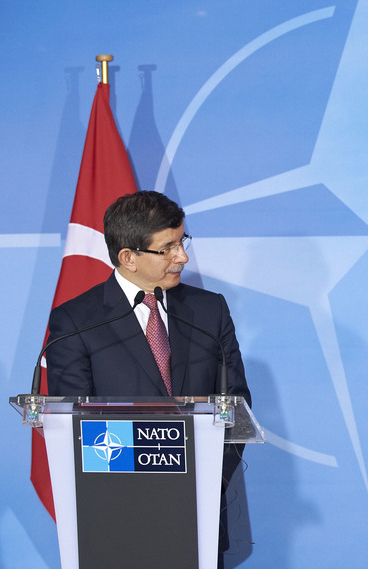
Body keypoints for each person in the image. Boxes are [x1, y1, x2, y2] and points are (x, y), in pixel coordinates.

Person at [46, 190, 250, 566]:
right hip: (116, 520)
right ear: (128, 257)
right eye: (168, 248)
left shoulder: (209, 311)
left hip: (200, 516)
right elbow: (75, 426)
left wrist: (202, 484)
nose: (182, 257)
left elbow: (235, 409)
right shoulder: (74, 322)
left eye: (182, 241)